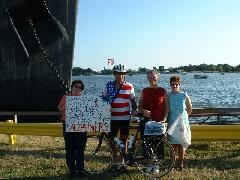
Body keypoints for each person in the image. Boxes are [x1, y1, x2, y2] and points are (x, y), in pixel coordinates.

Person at [102, 64, 137, 169]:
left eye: (122, 74)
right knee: (112, 139)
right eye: (118, 74)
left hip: (125, 118)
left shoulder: (129, 86)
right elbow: (103, 100)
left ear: (125, 75)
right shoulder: (108, 85)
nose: (120, 76)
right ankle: (114, 159)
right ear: (114, 74)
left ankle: (122, 161)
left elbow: (133, 100)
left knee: (124, 139)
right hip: (112, 118)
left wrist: (135, 109)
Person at [138, 69, 169, 173]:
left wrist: (164, 119)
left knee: (158, 143)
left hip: (159, 121)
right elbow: (140, 107)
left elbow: (167, 107)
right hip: (147, 121)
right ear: (147, 78)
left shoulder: (162, 91)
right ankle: (150, 163)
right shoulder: (144, 91)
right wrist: (143, 110)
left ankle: (156, 165)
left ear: (157, 77)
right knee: (147, 143)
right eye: (150, 77)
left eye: (154, 77)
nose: (152, 79)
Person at [58, 80, 87, 177]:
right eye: (76, 86)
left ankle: (81, 169)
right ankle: (72, 170)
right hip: (68, 125)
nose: (77, 88)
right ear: (72, 87)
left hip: (81, 126)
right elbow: (59, 108)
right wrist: (66, 106)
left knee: (80, 149)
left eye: (80, 87)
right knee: (70, 149)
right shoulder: (65, 97)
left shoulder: (84, 99)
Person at [167, 75, 192, 170]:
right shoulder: (168, 96)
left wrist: (184, 118)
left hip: (182, 122)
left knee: (181, 143)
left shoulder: (184, 95)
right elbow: (167, 109)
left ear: (179, 84)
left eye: (176, 84)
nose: (174, 86)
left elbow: (189, 109)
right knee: (172, 144)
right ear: (170, 85)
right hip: (172, 122)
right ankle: (172, 162)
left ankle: (180, 162)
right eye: (172, 84)